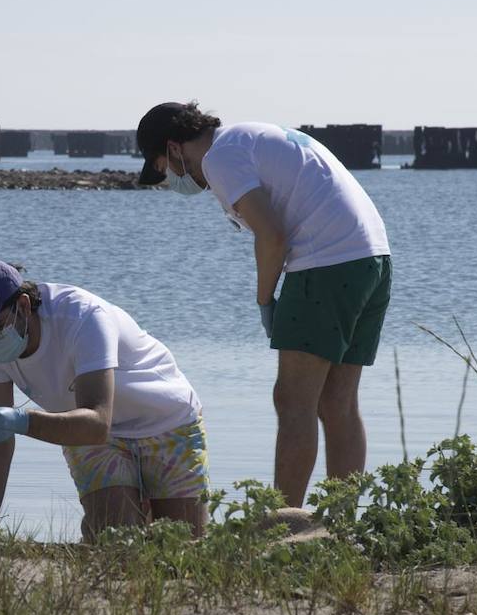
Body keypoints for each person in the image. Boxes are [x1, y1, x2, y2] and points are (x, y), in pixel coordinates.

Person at [136, 102, 392, 508]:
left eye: (163, 167)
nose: (170, 179)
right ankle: (342, 526)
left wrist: (264, 301)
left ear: (174, 148)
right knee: (337, 403)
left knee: (293, 401)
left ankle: (283, 525)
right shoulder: (250, 135)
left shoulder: (219, 157)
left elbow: (272, 236)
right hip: (372, 259)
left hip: (324, 266)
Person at [0, 258, 209, 540]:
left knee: (182, 548)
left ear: (22, 305)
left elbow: (97, 422)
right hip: (84, 431)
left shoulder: (83, 317)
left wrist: (23, 421)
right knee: (114, 537)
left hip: (165, 421)